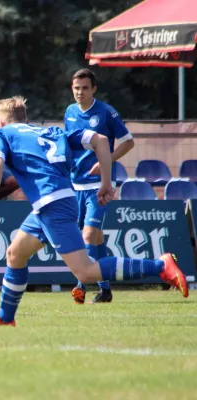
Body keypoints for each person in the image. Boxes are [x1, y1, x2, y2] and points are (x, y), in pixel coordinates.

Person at [0, 96, 188, 327]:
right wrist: (106, 182)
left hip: (52, 204)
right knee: (15, 253)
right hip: (58, 201)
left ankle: (161, 266)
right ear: (26, 118)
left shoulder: (3, 134)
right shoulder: (51, 131)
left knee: (86, 272)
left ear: (1, 122)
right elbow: (101, 140)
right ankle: (5, 316)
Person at [65, 68, 135, 304]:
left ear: (93, 89)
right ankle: (105, 290)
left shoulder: (106, 112)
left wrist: (107, 160)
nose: (80, 92)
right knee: (95, 238)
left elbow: (129, 143)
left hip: (101, 184)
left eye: (85, 88)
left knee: (88, 233)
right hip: (76, 184)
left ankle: (80, 286)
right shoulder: (70, 112)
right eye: (76, 88)